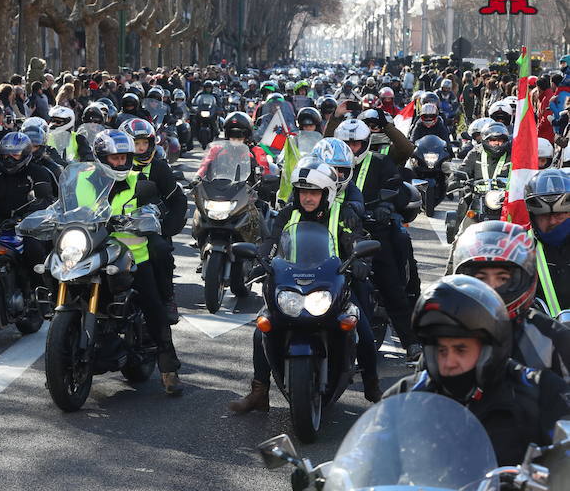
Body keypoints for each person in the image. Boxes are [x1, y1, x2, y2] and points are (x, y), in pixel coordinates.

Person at [229, 157, 379, 410]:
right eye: (302, 192)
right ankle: (259, 391)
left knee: (362, 330)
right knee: (261, 331)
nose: (307, 198)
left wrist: (360, 261)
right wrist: (261, 259)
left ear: (327, 193)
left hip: (334, 285)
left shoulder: (343, 213)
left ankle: (372, 386)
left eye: (314, 192)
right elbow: (272, 241)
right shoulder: (288, 213)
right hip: (292, 285)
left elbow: (355, 240)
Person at [384, 275, 570, 466]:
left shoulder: (540, 393)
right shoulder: (405, 397)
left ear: (489, 349)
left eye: (460, 350)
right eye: (441, 350)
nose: (449, 362)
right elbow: (365, 463)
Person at [90, 129, 182, 395]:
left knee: (153, 306)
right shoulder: (85, 179)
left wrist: (150, 217)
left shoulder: (140, 183)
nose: (120, 163)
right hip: (92, 250)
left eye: (124, 158)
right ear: (100, 157)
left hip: (132, 256)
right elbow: (64, 205)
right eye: (114, 158)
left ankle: (168, 367)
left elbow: (154, 207)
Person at [333, 118, 421, 360]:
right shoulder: (328, 163)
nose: (351, 149)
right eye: (346, 143)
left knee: (391, 282)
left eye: (356, 144)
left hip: (373, 230)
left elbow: (396, 188)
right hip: (337, 231)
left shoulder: (381, 161)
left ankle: (410, 342)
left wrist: (384, 204)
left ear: (366, 143)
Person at [453, 220, 570, 378]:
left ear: (524, 278)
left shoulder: (553, 338)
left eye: (502, 279)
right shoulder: (446, 334)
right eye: (481, 278)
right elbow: (423, 393)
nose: (492, 288)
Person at [119, 118, 186, 323]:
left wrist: (165, 230)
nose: (141, 148)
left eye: (145, 144)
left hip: (149, 230)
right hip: (114, 227)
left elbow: (178, 200)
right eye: (136, 144)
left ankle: (168, 299)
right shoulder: (115, 166)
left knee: (162, 251)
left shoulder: (159, 168)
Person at [0, 132, 53, 287]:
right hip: (0, 223)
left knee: (34, 250)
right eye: (5, 155)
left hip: (30, 226)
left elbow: (44, 200)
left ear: (25, 154)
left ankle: (40, 292)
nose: (9, 159)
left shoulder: (38, 172)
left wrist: (25, 217)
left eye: (15, 155)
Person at [524, 168, 570, 316]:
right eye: (543, 215)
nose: (552, 221)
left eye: (559, 214)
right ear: (532, 215)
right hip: (539, 334)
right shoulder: (520, 248)